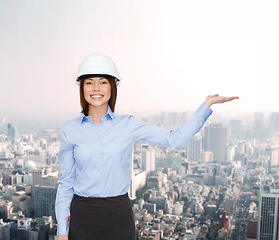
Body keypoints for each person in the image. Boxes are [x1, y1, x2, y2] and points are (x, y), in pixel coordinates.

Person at [55, 53, 239, 240]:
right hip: (82, 215)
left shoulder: (128, 125)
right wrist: (62, 231)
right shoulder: (70, 130)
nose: (96, 88)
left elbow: (176, 139)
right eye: (89, 82)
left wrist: (206, 105)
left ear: (112, 87)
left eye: (103, 82)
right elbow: (66, 182)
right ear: (81, 87)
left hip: (118, 214)